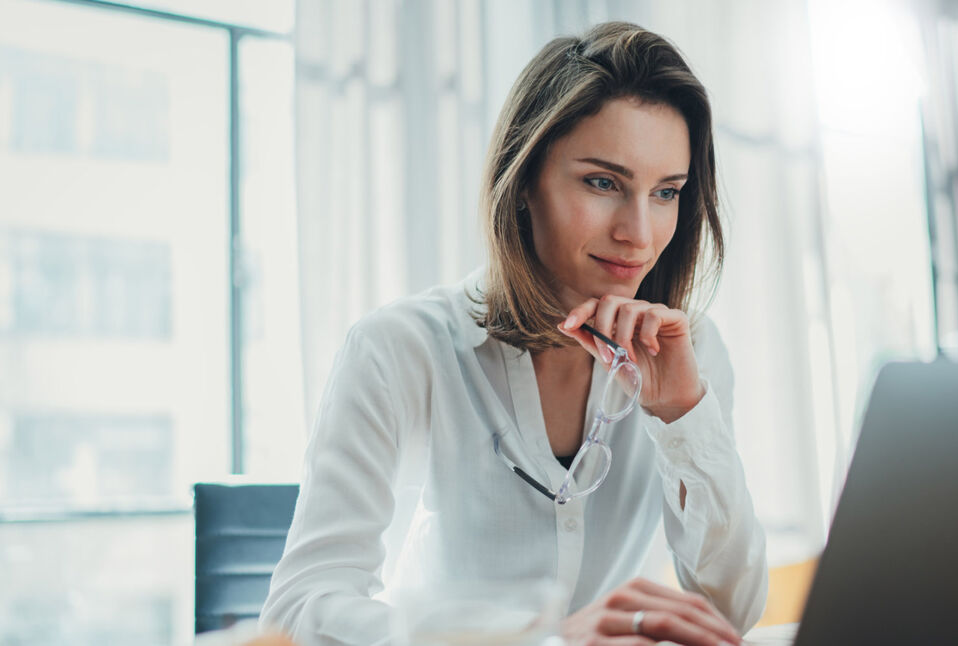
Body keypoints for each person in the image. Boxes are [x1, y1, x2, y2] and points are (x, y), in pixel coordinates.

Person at [260, 21, 767, 646]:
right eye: (603, 183)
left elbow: (730, 614)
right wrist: (534, 640)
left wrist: (684, 417)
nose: (639, 233)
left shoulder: (688, 353)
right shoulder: (399, 348)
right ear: (525, 180)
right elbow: (298, 609)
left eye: (666, 192)